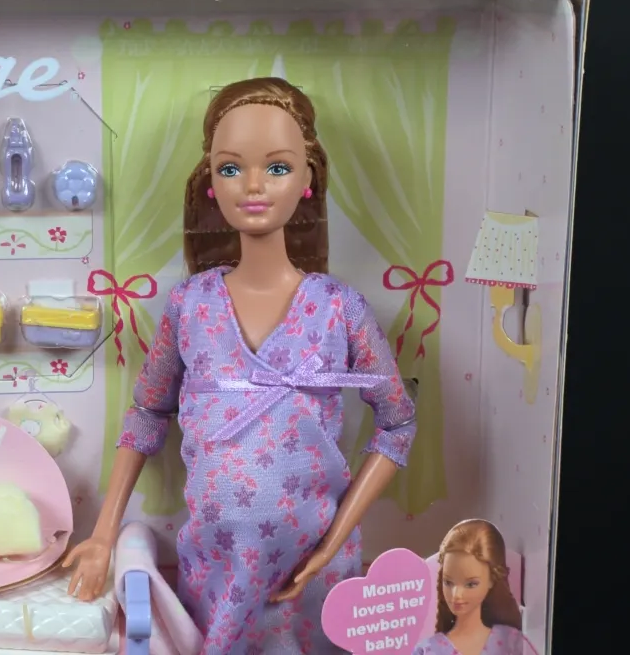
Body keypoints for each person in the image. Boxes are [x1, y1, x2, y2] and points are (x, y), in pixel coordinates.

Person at [63, 77, 416, 654]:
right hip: (218, 568)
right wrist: (104, 534)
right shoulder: (191, 305)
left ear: (307, 179)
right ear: (210, 182)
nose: (253, 186)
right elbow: (147, 414)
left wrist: (333, 541)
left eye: (277, 168)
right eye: (231, 168)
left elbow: (398, 423)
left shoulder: (338, 308)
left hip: (313, 568)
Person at [410, 520, 526, 655]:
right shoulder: (427, 649)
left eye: (471, 584)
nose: (456, 594)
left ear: (492, 580)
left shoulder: (510, 640)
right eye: (448, 582)